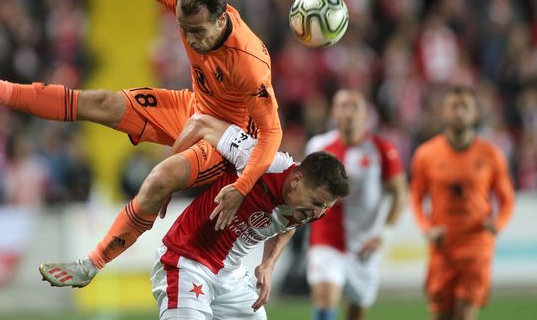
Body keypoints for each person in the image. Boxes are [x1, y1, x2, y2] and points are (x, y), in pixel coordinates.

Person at [0, 0, 282, 287]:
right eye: (183, 30)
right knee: (101, 101)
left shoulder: (249, 63)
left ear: (220, 21)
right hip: (195, 106)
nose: (191, 40)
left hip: (229, 135)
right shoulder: (187, 6)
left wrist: (241, 187)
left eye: (198, 32)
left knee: (160, 179)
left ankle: (90, 264)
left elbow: (272, 133)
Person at [42, 114, 349, 318]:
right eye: (317, 203)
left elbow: (288, 225)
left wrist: (268, 263)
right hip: (187, 262)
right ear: (296, 181)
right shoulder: (260, 160)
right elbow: (202, 123)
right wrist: (171, 174)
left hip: (232, 278)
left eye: (325, 208)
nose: (317, 214)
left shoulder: (306, 207)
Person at [410, 86, 515, 320]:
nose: (459, 113)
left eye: (465, 107)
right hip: (443, 244)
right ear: (443, 113)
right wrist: (427, 229)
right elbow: (415, 197)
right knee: (441, 316)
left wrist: (498, 223)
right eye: (453, 107)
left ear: (475, 113)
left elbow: (507, 198)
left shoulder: (491, 154)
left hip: (476, 243)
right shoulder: (426, 154)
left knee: (464, 316)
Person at [304, 90, 407, 320]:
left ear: (365, 114)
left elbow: (400, 194)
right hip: (326, 239)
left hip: (364, 245)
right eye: (342, 106)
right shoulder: (318, 146)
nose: (348, 112)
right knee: (324, 302)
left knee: (356, 311)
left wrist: (383, 235)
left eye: (354, 106)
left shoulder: (382, 149)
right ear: (333, 112)